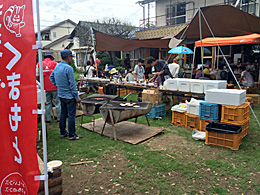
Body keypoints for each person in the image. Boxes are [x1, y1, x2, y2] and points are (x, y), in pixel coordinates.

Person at [50, 49, 83, 141]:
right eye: (71, 57)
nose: (72, 59)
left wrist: (58, 86)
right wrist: (77, 97)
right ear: (68, 57)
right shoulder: (68, 68)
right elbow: (72, 84)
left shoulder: (57, 66)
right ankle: (72, 134)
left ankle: (62, 132)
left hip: (61, 95)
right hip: (69, 96)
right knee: (72, 115)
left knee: (63, 114)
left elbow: (51, 77)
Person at [37, 52, 61, 123]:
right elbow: (59, 74)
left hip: (44, 88)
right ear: (51, 57)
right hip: (55, 87)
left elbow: (37, 76)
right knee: (57, 103)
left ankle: (47, 119)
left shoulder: (39, 64)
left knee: (47, 103)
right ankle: (59, 118)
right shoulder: (55, 64)